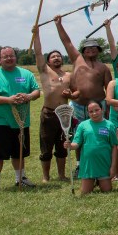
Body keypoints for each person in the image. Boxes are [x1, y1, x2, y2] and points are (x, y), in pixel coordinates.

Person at [0, 46, 41, 193]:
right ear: (0, 60)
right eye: (5, 56)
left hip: (21, 121)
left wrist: (29, 96)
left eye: (12, 55)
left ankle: (20, 178)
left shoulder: (26, 74)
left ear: (16, 57)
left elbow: (36, 91)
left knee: (18, 152)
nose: (9, 58)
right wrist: (8, 100)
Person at [31, 26, 71, 182]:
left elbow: (76, 93)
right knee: (46, 146)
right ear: (48, 61)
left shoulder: (68, 76)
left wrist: (71, 94)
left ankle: (61, 175)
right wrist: (36, 34)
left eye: (58, 56)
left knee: (62, 146)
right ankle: (46, 177)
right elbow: (38, 53)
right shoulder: (45, 71)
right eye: (53, 56)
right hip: (48, 114)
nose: (56, 58)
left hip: (64, 114)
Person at [54, 15, 112, 120]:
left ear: (99, 50)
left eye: (94, 47)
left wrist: (108, 108)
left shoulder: (104, 68)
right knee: (77, 130)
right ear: (83, 51)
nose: (91, 49)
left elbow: (109, 89)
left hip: (98, 106)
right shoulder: (77, 59)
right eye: (87, 48)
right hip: (78, 106)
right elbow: (67, 42)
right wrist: (59, 25)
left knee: (97, 129)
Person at [65, 100, 118, 194]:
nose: (94, 113)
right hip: (88, 165)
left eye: (97, 110)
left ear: (102, 110)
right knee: (85, 192)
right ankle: (93, 181)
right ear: (88, 113)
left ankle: (100, 180)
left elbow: (114, 147)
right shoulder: (82, 125)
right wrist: (70, 145)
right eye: (91, 111)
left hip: (104, 164)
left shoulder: (110, 125)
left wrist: (113, 167)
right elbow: (76, 144)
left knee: (107, 190)